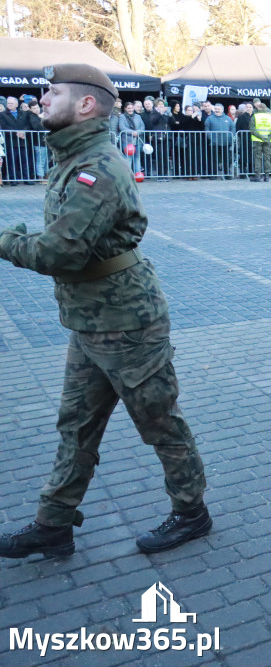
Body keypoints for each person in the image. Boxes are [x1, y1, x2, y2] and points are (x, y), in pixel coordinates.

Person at [0, 63, 210, 559]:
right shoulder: (73, 158)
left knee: (160, 423)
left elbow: (60, 252)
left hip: (128, 326)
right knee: (76, 428)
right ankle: (53, 525)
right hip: (90, 324)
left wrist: (8, 239)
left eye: (52, 94)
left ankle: (192, 513)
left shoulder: (98, 167)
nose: (41, 101)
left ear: (87, 104)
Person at [204, 103, 236, 179]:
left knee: (227, 159)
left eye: (219, 109)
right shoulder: (209, 118)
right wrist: (211, 138)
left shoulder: (228, 118)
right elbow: (207, 130)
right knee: (213, 159)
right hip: (214, 143)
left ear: (222, 110)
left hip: (226, 143)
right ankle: (213, 174)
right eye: (216, 109)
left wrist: (231, 137)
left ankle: (227, 174)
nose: (217, 110)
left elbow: (233, 129)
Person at [250, 100, 271, 182]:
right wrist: (267, 138)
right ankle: (267, 176)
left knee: (258, 158)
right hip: (268, 141)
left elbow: (252, 129)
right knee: (267, 158)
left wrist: (261, 137)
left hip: (257, 140)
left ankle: (257, 176)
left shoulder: (255, 116)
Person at [116, 100, 144, 174]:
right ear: (125, 109)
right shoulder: (122, 117)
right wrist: (132, 132)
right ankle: (128, 175)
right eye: (129, 108)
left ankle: (138, 174)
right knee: (128, 158)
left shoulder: (138, 116)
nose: (130, 110)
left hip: (137, 140)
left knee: (137, 158)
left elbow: (142, 126)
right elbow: (122, 127)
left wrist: (137, 132)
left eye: (131, 108)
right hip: (127, 140)